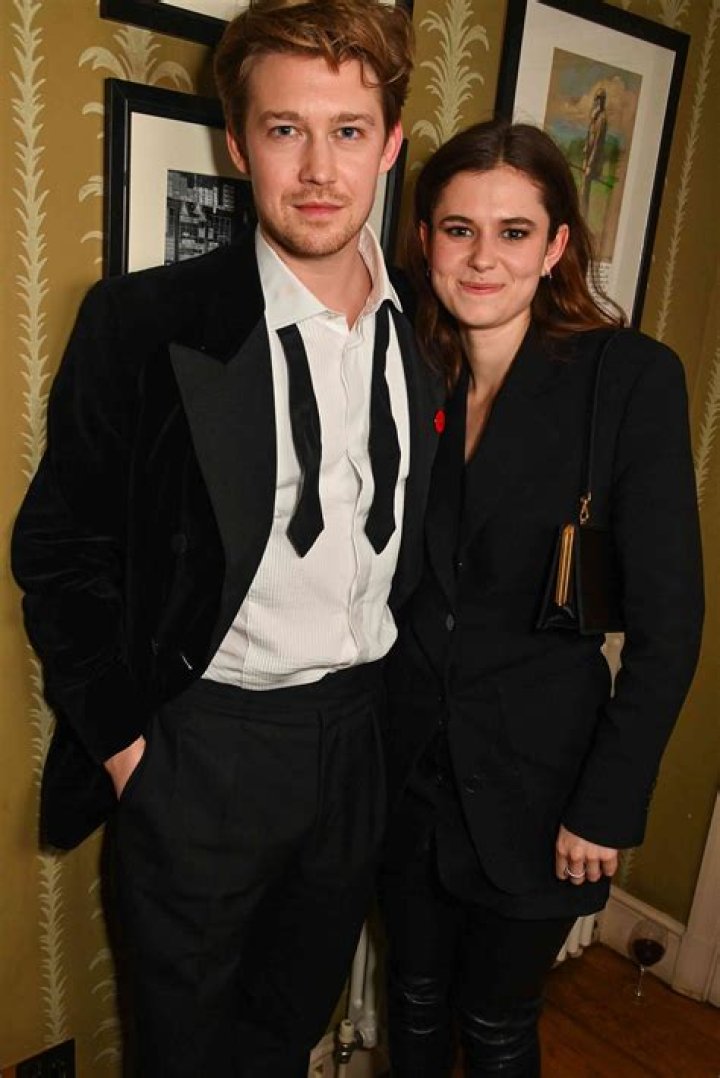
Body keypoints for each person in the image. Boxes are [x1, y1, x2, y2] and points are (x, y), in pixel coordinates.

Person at [11, 2, 442, 1074]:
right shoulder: (143, 323)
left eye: (348, 131)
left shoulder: (427, 331)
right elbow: (59, 553)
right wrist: (129, 750)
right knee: (184, 1051)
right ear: (239, 144)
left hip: (357, 741)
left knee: (285, 1034)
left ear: (390, 143)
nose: (318, 170)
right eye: (285, 129)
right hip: (203, 750)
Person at [379, 120, 703, 1077]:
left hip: (542, 787)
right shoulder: (406, 367)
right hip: (405, 773)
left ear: (557, 243)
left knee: (495, 1023)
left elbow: (671, 625)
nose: (484, 258)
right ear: (426, 240)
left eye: (514, 232)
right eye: (459, 230)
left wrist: (608, 804)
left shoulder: (626, 379)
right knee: (412, 1000)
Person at [581, 87, 608, 217]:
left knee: (586, 191)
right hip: (587, 157)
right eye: (596, 98)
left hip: (593, 162)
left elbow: (597, 144)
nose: (597, 101)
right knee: (582, 190)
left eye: (600, 99)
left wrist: (590, 165)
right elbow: (589, 137)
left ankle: (583, 217)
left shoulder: (602, 118)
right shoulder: (594, 115)